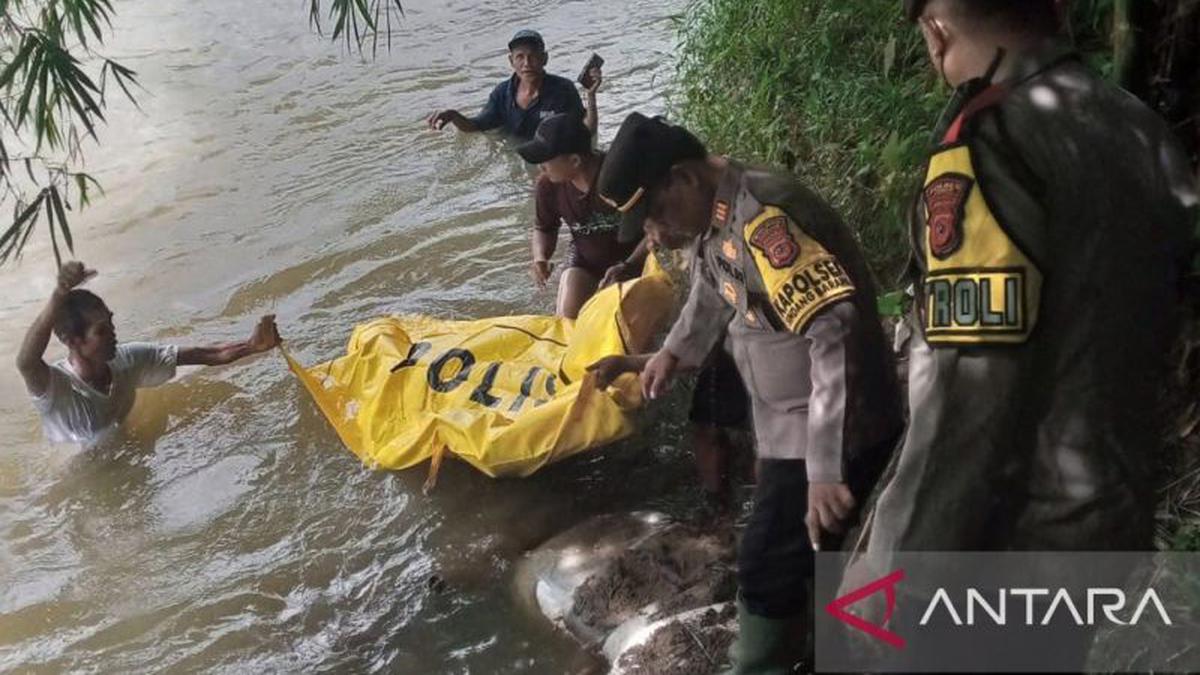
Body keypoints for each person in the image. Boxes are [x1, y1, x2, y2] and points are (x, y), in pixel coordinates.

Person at [866, 0, 1199, 555]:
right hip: (1117, 501)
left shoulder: (989, 145)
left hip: (1011, 532)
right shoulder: (1135, 120)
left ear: (935, 31)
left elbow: (966, 391)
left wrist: (892, 566)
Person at [592, 112, 903, 672]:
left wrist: (824, 469)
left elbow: (833, 333)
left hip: (830, 426)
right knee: (803, 553)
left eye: (657, 215)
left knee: (766, 563)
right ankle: (817, 644)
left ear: (683, 179)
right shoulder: (716, 217)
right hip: (790, 423)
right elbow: (712, 292)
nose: (655, 235)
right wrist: (672, 353)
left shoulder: (764, 219)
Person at [16, 261, 283, 448]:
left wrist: (252, 346)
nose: (114, 333)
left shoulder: (127, 358)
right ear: (72, 341)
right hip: (81, 476)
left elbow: (205, 354)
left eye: (111, 323)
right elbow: (26, 362)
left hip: (122, 451)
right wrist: (58, 296)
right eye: (101, 331)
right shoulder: (57, 390)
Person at [516, 112, 642, 318]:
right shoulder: (547, 185)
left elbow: (654, 229)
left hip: (633, 257)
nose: (540, 167)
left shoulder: (620, 177)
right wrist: (540, 257)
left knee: (629, 322)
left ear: (574, 160)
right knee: (567, 318)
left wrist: (630, 265)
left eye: (545, 160)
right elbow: (544, 228)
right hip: (585, 258)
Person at [426, 29, 598, 141]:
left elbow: (587, 132)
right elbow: (476, 126)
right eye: (520, 57)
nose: (527, 63)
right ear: (511, 61)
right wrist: (453, 116)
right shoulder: (502, 93)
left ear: (545, 58)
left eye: (533, 56)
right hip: (515, 152)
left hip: (550, 157)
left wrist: (591, 96)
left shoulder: (563, 89)